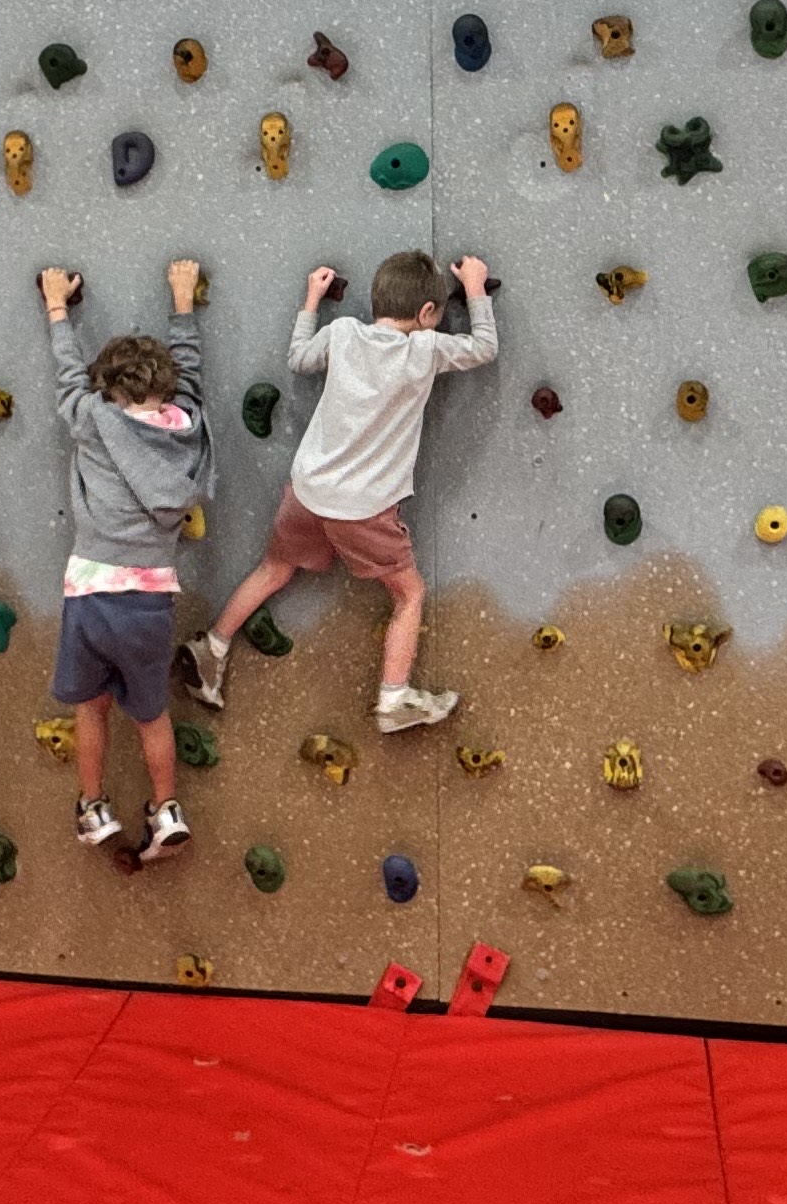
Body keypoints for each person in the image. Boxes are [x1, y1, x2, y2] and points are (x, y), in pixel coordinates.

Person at [187, 250, 493, 732]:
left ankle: (212, 648)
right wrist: (475, 288)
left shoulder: (343, 332)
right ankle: (394, 699)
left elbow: (298, 359)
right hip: (364, 509)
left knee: (275, 567)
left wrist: (312, 299)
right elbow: (483, 347)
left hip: (307, 490)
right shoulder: (426, 349)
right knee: (409, 594)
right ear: (429, 315)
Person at [40, 258, 211, 862]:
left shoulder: (92, 418)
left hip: (90, 594)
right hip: (150, 600)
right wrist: (183, 300)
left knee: (91, 711)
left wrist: (57, 306)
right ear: (165, 390)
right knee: (152, 714)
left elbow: (68, 379)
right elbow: (189, 375)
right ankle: (166, 810)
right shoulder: (184, 426)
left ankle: (94, 809)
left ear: (105, 388)